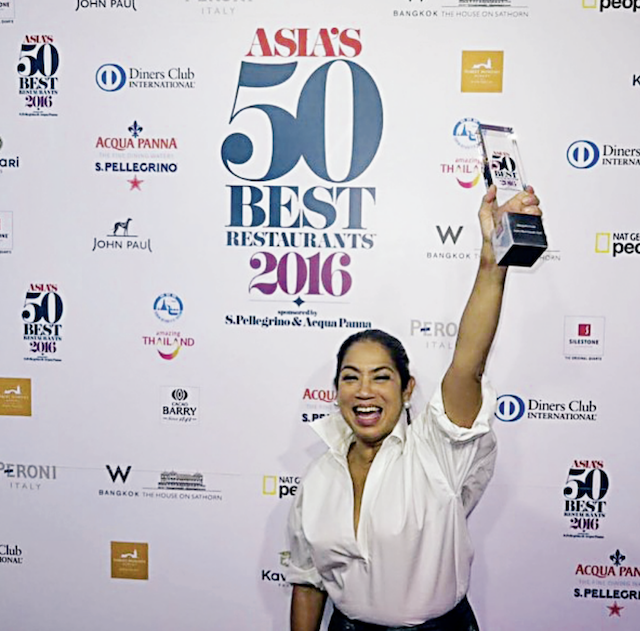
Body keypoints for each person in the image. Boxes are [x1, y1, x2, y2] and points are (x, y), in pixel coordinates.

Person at [286, 185, 542, 631]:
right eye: (351, 377)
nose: (364, 390)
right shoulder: (319, 476)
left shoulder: (436, 449)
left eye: (381, 377)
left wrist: (492, 262)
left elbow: (468, 366)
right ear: (336, 391)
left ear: (408, 391)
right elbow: (308, 583)